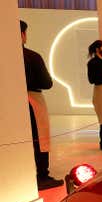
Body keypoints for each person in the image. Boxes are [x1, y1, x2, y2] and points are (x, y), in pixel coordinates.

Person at [21, 20, 63, 190]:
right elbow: (46, 82)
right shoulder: (31, 56)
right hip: (32, 99)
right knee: (39, 137)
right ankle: (42, 175)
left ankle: (24, 172)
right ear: (22, 34)